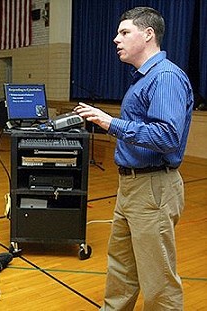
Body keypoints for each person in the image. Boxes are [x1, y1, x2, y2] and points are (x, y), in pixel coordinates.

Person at [74, 7, 194, 311]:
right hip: (131, 186)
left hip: (153, 187)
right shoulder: (144, 78)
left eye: (124, 32)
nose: (116, 39)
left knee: (158, 278)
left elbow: (167, 137)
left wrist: (109, 123)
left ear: (148, 34)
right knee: (121, 267)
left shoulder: (166, 78)